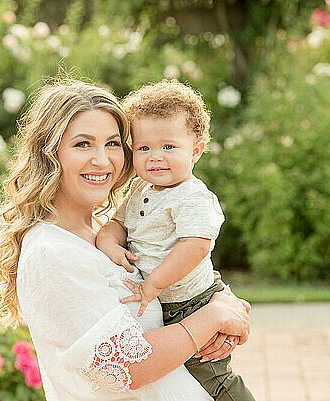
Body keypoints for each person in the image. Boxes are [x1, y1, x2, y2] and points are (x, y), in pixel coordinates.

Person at [0, 79, 251, 401]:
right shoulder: (51, 252)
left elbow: (189, 271)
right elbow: (128, 368)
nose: (102, 159)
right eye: (83, 144)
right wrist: (212, 318)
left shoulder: (105, 227)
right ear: (50, 153)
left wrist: (226, 311)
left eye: (112, 143)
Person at [96, 80, 255, 400]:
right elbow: (116, 224)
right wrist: (109, 243)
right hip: (168, 300)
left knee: (213, 376)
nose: (155, 157)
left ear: (195, 150)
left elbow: (195, 247)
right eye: (144, 148)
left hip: (193, 300)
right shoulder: (139, 190)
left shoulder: (192, 196)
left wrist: (153, 284)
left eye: (168, 147)